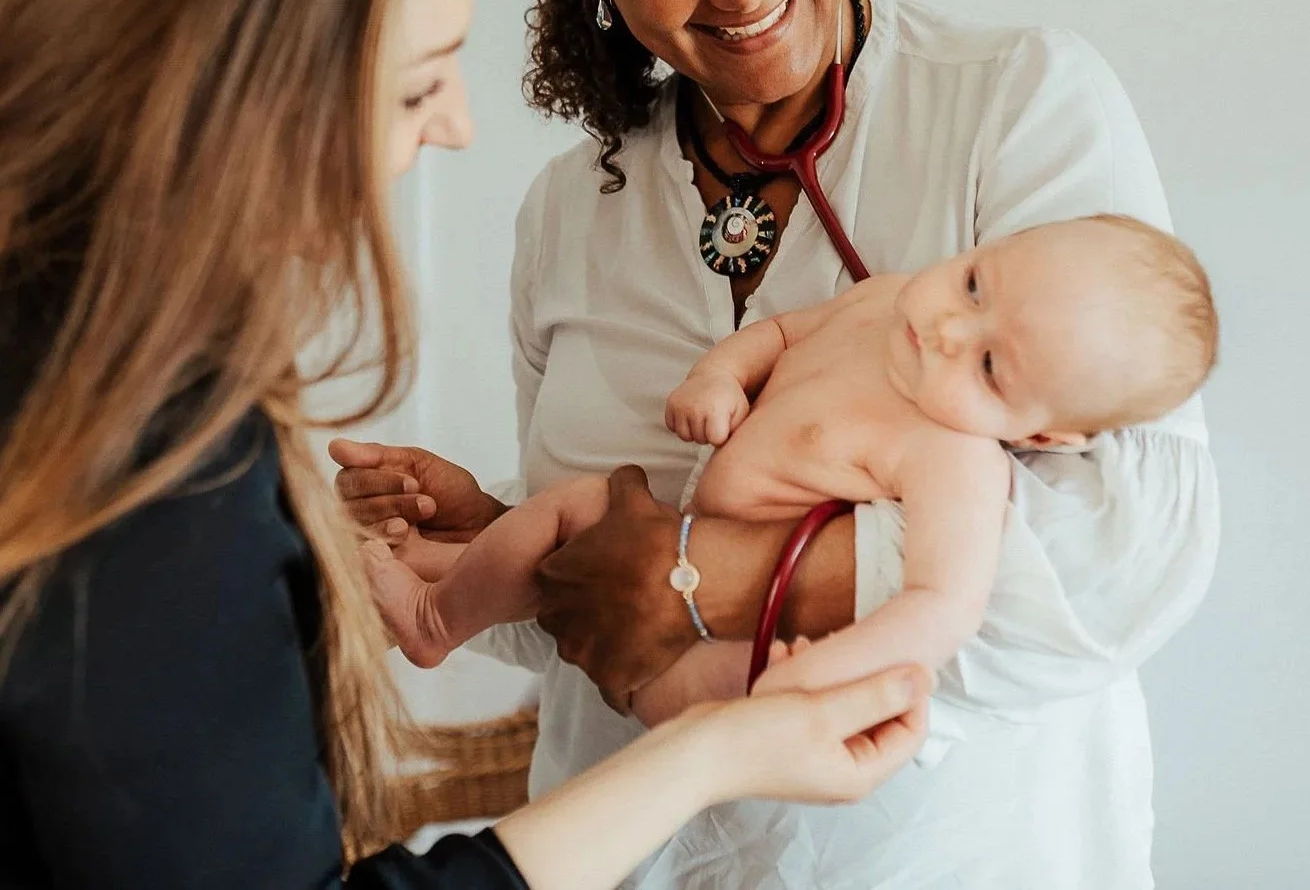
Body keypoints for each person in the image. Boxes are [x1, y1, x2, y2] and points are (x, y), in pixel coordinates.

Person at [0, 0, 934, 890]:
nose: (454, 125)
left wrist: (508, 540)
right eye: (413, 82)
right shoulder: (141, 448)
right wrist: (712, 738)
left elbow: (1121, 539)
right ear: (235, 98)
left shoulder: (1007, 112)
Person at [333, 0, 1220, 889]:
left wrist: (710, 573)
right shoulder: (568, 215)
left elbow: (1139, 548)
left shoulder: (1013, 104)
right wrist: (502, 542)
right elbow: (608, 624)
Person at [361, 216, 1218, 728]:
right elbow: (779, 337)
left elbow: (940, 606)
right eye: (973, 283)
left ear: (1050, 437)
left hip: (731, 653)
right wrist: (718, 376)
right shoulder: (889, 301)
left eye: (992, 368)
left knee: (647, 623)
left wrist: (815, 678)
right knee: (576, 510)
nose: (952, 331)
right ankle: (446, 595)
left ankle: (437, 608)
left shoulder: (953, 458)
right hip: (669, 538)